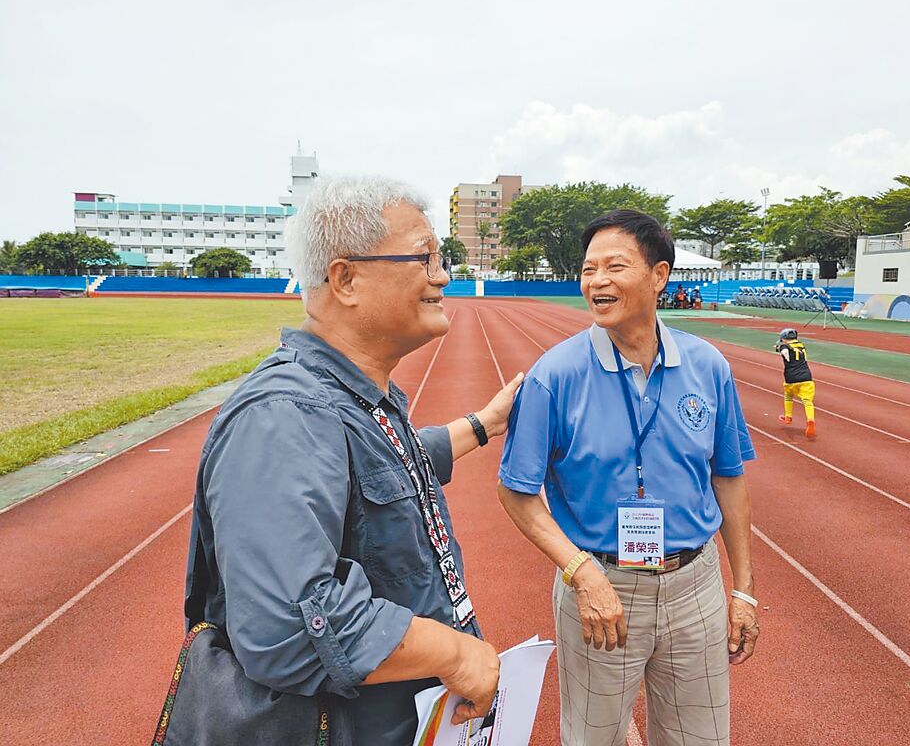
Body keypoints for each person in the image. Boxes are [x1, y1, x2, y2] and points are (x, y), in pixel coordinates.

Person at [186, 176, 524, 744]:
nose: (443, 275)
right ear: (345, 279)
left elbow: (390, 467)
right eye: (425, 257)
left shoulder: (359, 400)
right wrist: (453, 651)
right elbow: (289, 628)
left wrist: (483, 426)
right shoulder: (285, 417)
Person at [497, 209, 759, 746]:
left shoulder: (709, 366)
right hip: (601, 587)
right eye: (588, 269)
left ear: (659, 275)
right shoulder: (556, 375)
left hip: (695, 584)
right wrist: (582, 574)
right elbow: (516, 491)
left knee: (702, 737)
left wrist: (745, 591)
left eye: (614, 266)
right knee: (594, 738)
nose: (597, 281)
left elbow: (728, 477)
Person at [775, 327, 816, 438]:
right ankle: (810, 420)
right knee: (807, 401)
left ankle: (788, 416)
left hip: (791, 377)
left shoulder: (784, 346)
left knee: (788, 396)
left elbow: (784, 351)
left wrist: (781, 350)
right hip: (806, 377)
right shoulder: (801, 345)